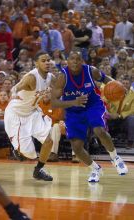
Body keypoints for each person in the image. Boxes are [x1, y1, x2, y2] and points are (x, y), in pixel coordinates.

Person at [51, 50, 128, 183]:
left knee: (99, 130)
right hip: (73, 111)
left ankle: (115, 158)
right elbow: (54, 102)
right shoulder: (62, 77)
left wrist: (118, 86)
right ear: (67, 61)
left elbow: (106, 79)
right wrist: (74, 102)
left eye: (78, 59)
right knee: (76, 146)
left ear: (82, 61)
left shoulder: (91, 71)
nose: (75, 61)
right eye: (72, 59)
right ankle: (95, 168)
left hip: (93, 105)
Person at [4, 50, 53, 181]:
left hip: (32, 112)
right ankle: (17, 149)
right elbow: (16, 87)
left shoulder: (50, 78)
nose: (47, 62)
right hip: (17, 113)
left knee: (49, 141)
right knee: (29, 154)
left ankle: (38, 170)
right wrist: (14, 92)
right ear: (36, 64)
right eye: (43, 60)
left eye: (48, 60)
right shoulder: (32, 77)